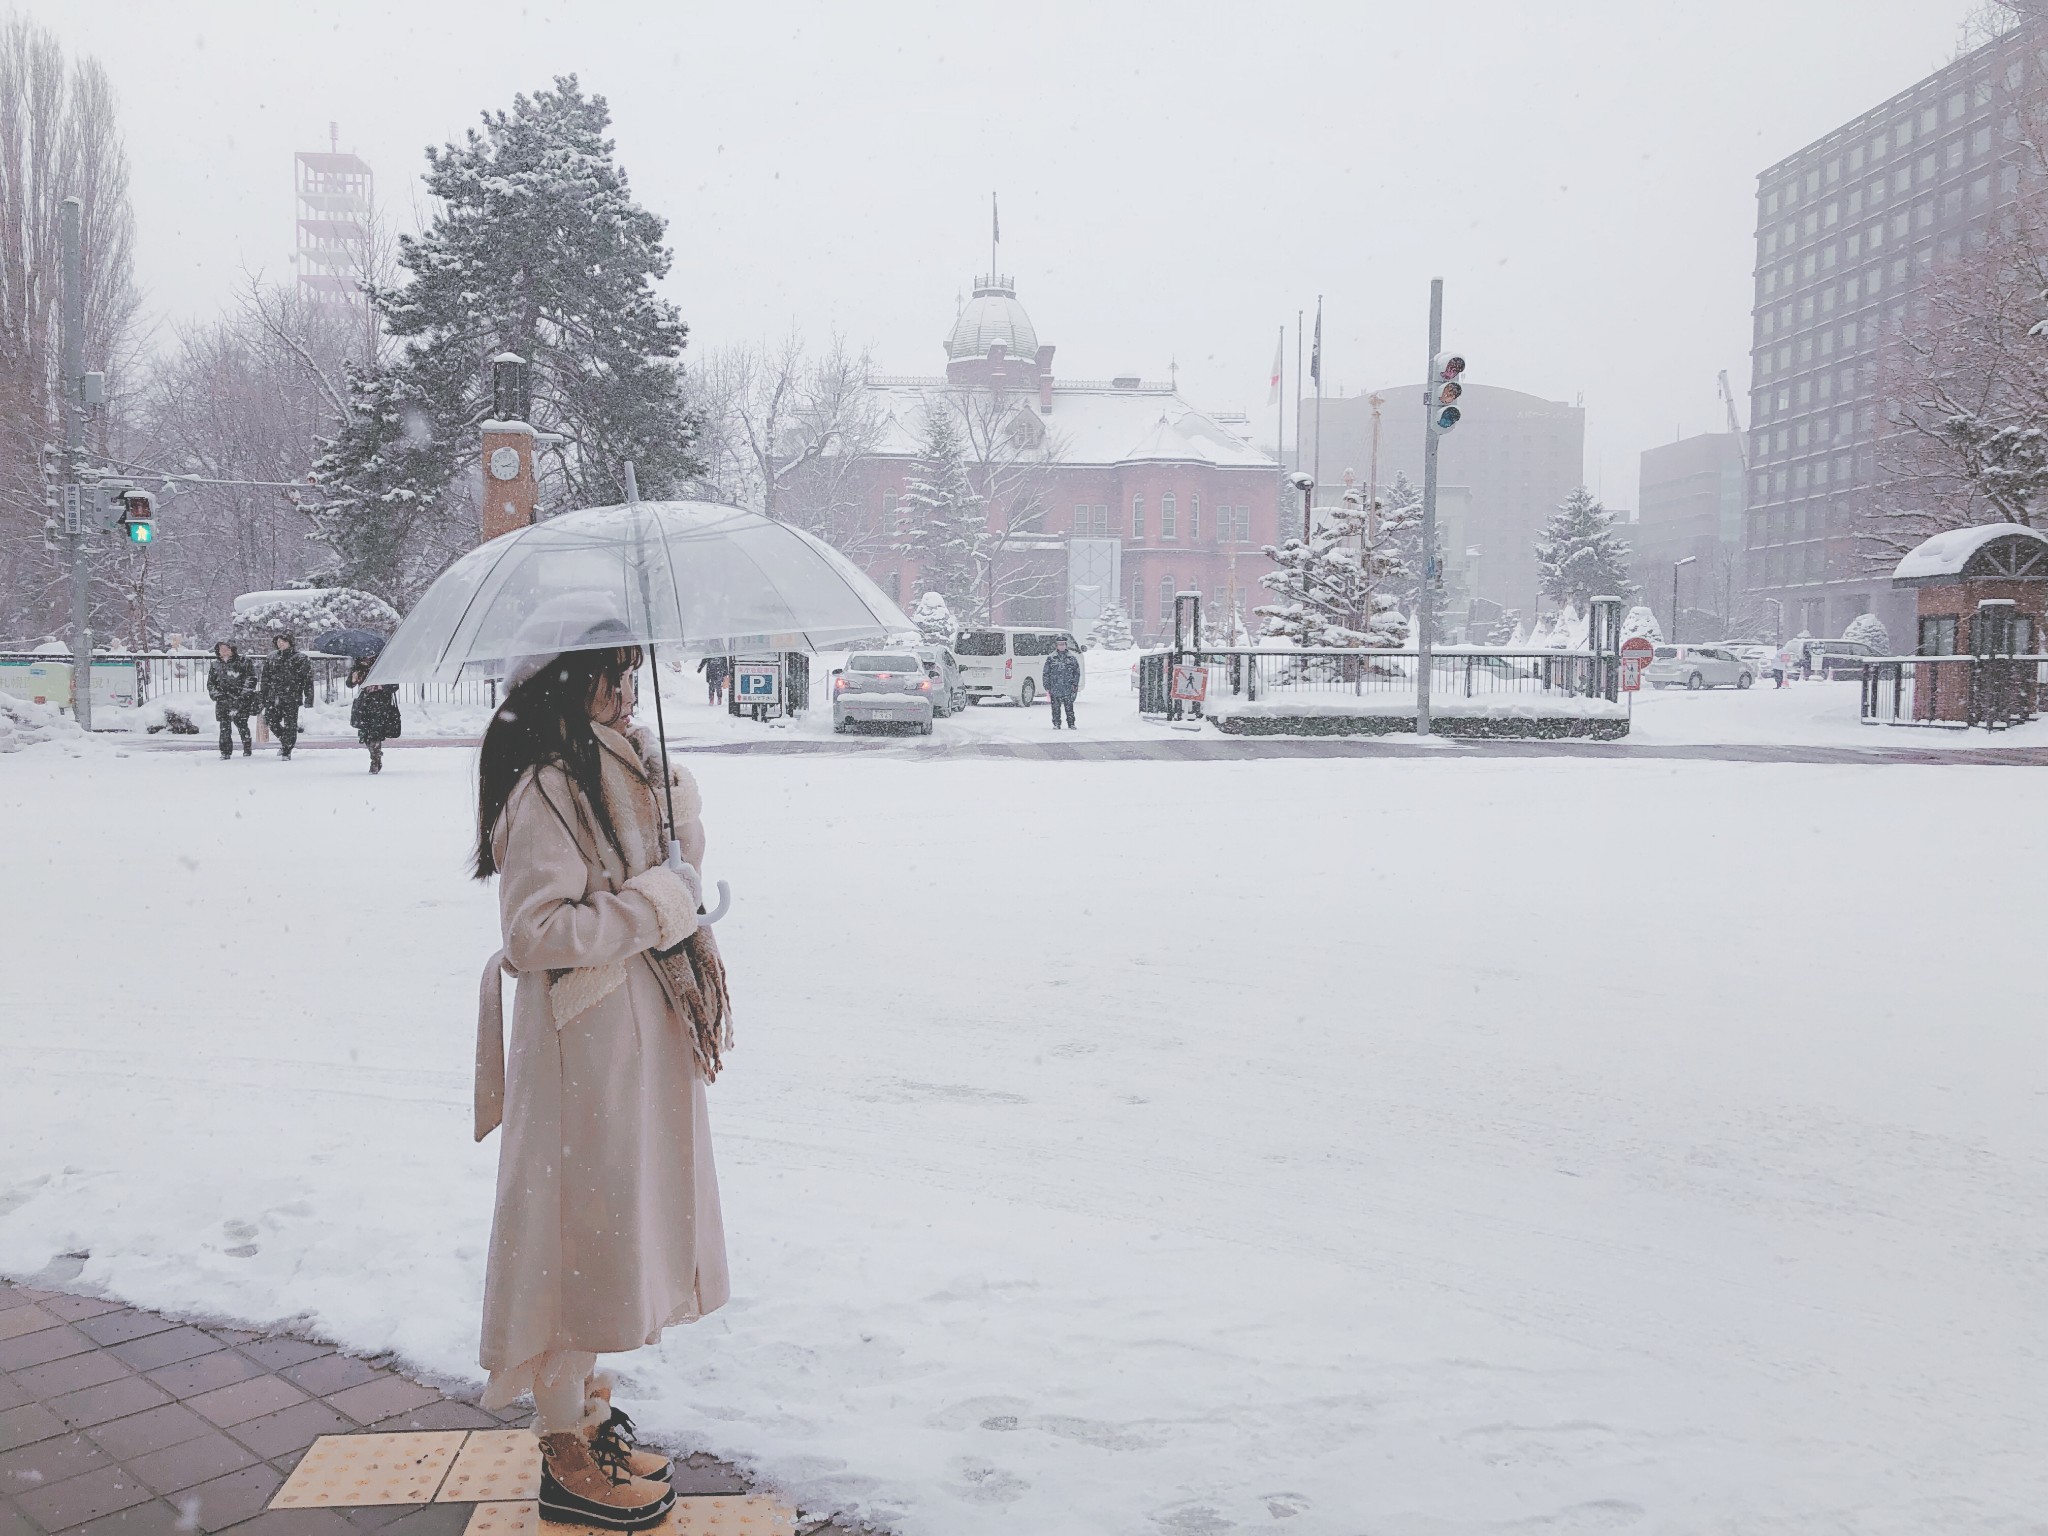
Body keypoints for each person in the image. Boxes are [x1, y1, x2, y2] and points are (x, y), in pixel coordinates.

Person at [471, 601, 733, 1530]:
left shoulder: (620, 771)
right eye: (612, 673)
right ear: (569, 685)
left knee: (606, 1233)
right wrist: (655, 902)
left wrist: (674, 830)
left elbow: (671, 887)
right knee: (572, 1239)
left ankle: (585, 1412)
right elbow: (538, 933)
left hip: (627, 1044)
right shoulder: (546, 786)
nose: (627, 690)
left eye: (630, 672)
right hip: (582, 1052)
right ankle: (563, 1451)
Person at [261, 633, 315, 759]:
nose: (281, 644)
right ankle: (286, 742)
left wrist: (309, 698)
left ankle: (286, 750)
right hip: (273, 696)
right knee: (270, 719)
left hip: (292, 696)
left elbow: (307, 680)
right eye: (278, 641)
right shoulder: (271, 657)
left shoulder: (300, 658)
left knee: (290, 724)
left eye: (283, 641)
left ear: (290, 642)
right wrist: (263, 695)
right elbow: (265, 678)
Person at [347, 661, 402, 773]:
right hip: (364, 703)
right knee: (366, 733)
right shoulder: (358, 666)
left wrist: (380, 686)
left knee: (376, 732)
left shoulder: (384, 663)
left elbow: (395, 685)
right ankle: (375, 755)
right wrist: (353, 679)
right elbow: (349, 684)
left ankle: (375, 760)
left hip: (381, 702)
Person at [206, 641, 256, 760]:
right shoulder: (215, 665)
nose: (223, 652)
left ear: (232, 649)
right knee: (224, 726)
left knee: (242, 724)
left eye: (226, 649)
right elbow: (211, 684)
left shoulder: (244, 662)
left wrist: (243, 695)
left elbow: (251, 680)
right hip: (223, 700)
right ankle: (225, 751)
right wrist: (218, 696)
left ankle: (247, 747)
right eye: (221, 649)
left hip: (241, 700)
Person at [1043, 633, 1081, 729]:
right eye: (1060, 644)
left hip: (1068, 687)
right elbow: (1046, 673)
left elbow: (1076, 672)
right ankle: (1056, 723)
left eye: (1063, 644)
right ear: (1056, 645)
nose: (1061, 646)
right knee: (1055, 708)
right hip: (1055, 687)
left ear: (1066, 645)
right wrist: (1047, 686)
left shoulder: (1071, 658)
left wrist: (1075, 684)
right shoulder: (1051, 658)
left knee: (1069, 708)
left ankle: (1071, 723)